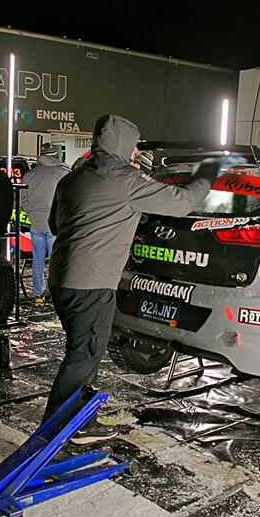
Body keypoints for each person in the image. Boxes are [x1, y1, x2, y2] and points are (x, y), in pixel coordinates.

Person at [45, 114, 239, 444]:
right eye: (134, 147)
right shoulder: (125, 180)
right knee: (84, 354)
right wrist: (205, 176)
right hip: (91, 283)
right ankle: (60, 430)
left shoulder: (74, 178)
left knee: (82, 350)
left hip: (61, 280)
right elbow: (182, 204)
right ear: (122, 145)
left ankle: (73, 419)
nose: (136, 153)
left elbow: (54, 224)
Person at [23, 143, 68, 305]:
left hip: (36, 223)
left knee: (38, 261)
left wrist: (32, 213)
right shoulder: (63, 173)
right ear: (55, 155)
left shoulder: (29, 175)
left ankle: (38, 296)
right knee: (57, 263)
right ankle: (58, 296)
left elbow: (22, 199)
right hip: (55, 224)